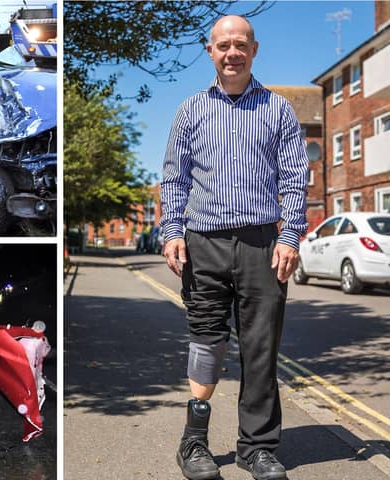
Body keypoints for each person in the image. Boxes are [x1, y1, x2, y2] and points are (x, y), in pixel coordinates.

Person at [160, 15, 308, 480]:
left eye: (240, 44)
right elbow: (174, 177)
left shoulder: (279, 110)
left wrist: (289, 236)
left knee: (261, 348)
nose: (232, 53)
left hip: (262, 245)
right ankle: (194, 443)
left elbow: (294, 179)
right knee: (207, 342)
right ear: (211, 51)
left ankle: (257, 447)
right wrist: (172, 231)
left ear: (254, 50)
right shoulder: (190, 110)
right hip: (203, 242)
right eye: (223, 45)